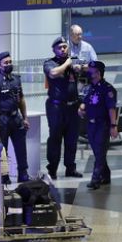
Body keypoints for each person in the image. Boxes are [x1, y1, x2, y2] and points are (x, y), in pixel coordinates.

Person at [43, 36, 83, 180]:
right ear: (54, 50)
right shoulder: (50, 63)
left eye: (65, 46)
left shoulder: (74, 61)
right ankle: (52, 169)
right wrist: (67, 63)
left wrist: (81, 68)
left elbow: (87, 73)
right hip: (56, 107)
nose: (63, 49)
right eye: (59, 47)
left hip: (73, 107)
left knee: (72, 139)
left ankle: (70, 168)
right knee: (55, 138)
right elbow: (53, 73)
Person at [0, 51, 30, 183]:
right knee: (2, 149)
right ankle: (4, 176)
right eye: (6, 63)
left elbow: (21, 98)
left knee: (21, 148)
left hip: (16, 118)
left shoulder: (16, 79)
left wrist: (25, 118)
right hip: (2, 120)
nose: (9, 64)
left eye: (10, 62)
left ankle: (23, 173)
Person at [78, 61, 118, 190]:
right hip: (91, 125)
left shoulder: (108, 89)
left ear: (98, 73)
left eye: (91, 71)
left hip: (102, 125)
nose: (88, 73)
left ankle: (95, 179)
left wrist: (113, 126)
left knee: (100, 152)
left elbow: (111, 109)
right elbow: (86, 101)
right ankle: (105, 175)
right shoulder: (91, 87)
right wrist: (82, 107)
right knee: (97, 152)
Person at [68, 24, 97, 94]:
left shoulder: (88, 47)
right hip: (69, 78)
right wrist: (72, 67)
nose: (80, 37)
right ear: (71, 35)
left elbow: (96, 64)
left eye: (81, 34)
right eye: (77, 34)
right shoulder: (65, 47)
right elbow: (59, 63)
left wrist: (84, 67)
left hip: (86, 77)